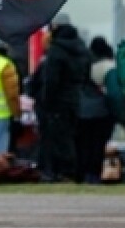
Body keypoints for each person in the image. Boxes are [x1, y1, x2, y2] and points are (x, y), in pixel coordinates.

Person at [38, 14, 89, 183]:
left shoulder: (56, 49)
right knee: (70, 136)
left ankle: (61, 171)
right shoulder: (81, 47)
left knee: (58, 138)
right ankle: (70, 171)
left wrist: (45, 100)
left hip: (58, 100)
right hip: (76, 98)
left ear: (56, 28)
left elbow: (51, 79)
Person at [79, 37, 116, 184]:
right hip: (101, 110)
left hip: (83, 111)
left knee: (84, 145)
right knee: (98, 145)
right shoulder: (109, 66)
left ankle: (84, 173)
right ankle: (95, 174)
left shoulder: (85, 63)